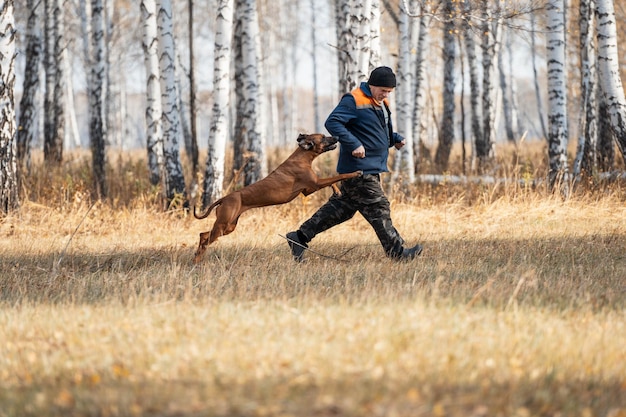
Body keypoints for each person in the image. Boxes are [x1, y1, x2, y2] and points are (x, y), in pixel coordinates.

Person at [286, 66, 423, 262]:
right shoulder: (354, 99)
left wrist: (395, 138)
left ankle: (298, 237)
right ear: (372, 85)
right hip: (358, 168)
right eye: (383, 90)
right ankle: (398, 252)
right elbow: (332, 122)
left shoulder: (381, 103)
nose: (385, 95)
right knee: (378, 206)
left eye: (389, 92)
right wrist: (354, 143)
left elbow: (375, 132)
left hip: (371, 167)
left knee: (342, 209)